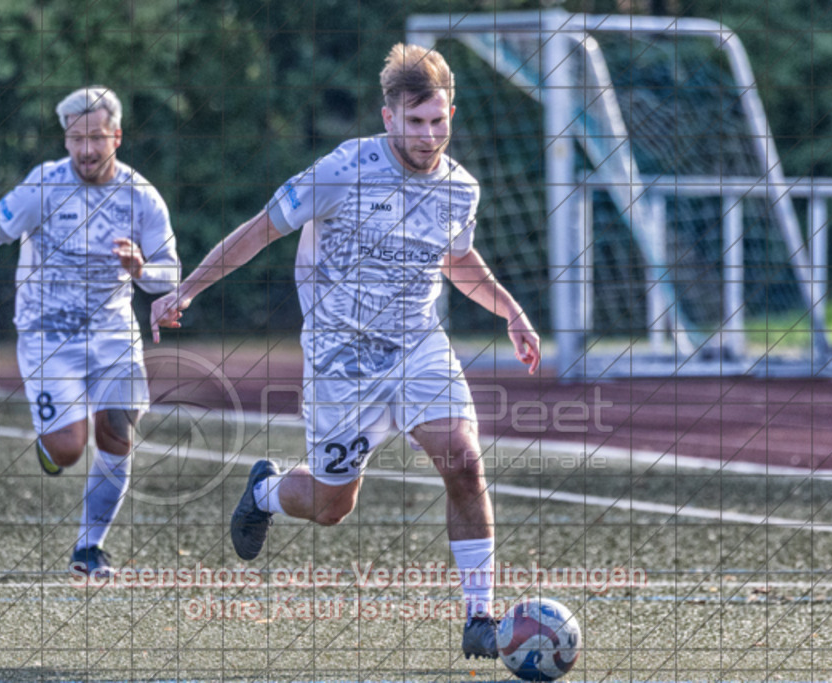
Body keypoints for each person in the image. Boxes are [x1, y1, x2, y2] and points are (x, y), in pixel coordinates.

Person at [151, 44, 540, 659]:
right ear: (388, 117)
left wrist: (511, 311)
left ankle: (479, 617)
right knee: (333, 505)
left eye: (438, 121)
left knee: (464, 461)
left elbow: (457, 259)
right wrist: (187, 289)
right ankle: (265, 492)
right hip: (339, 361)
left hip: (417, 348)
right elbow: (261, 229)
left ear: (452, 114)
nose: (429, 135)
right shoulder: (342, 170)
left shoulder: (460, 189)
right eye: (415, 122)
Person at [0, 86, 181, 577]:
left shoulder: (141, 198)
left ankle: (89, 547)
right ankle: (50, 445)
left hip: (114, 332)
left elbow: (170, 274)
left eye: (96, 138)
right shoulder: (44, 187)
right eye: (76, 139)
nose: (86, 151)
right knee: (69, 448)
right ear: (66, 140)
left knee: (118, 430)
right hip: (46, 334)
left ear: (116, 136)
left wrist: (142, 270)